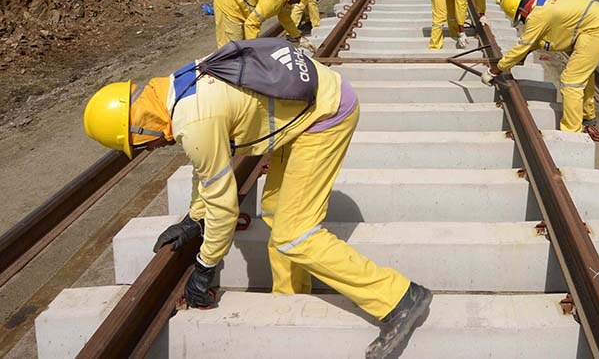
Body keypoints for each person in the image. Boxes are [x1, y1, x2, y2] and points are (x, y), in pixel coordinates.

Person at [82, 39, 433, 359]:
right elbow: (206, 167)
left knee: (295, 234)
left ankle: (400, 297)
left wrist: (205, 268)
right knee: (274, 210)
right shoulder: (176, 87)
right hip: (305, 108)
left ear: (139, 127)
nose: (150, 149)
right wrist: (192, 218)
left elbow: (223, 205)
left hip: (326, 115)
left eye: (140, 146)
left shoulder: (195, 120)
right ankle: (291, 299)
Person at [482, 0, 599, 141]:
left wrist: (496, 69)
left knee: (571, 80)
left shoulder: (537, 15)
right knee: (582, 73)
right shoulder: (543, 5)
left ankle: (572, 134)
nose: (523, 22)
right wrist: (519, 58)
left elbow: (525, 44)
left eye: (521, 19)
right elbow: (539, 40)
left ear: (522, 10)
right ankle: (587, 117)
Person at [212, 0, 317, 49]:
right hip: (228, 4)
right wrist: (254, 50)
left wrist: (298, 38)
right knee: (232, 48)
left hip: (240, 5)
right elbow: (251, 24)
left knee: (241, 46)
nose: (298, 3)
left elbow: (285, 18)